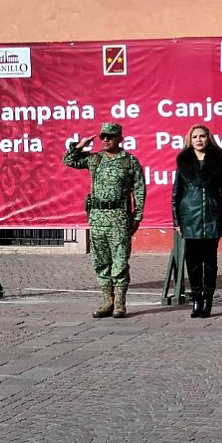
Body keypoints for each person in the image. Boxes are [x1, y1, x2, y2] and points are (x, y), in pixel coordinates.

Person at [63, 122, 146, 319]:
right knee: (100, 261)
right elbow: (68, 160)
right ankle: (107, 301)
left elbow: (139, 189)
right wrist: (80, 146)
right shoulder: (95, 159)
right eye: (103, 137)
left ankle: (119, 303)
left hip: (119, 218)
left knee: (120, 261)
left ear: (119, 138)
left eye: (110, 136)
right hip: (98, 217)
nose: (106, 140)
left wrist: (137, 216)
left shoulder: (129, 162)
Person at [172, 124, 222, 318]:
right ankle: (196, 299)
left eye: (202, 136)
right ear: (190, 140)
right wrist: (177, 221)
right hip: (190, 218)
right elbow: (176, 194)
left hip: (212, 218)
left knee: (210, 263)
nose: (199, 139)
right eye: (195, 136)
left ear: (208, 138)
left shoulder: (218, 160)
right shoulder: (183, 162)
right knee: (193, 263)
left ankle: (208, 300)